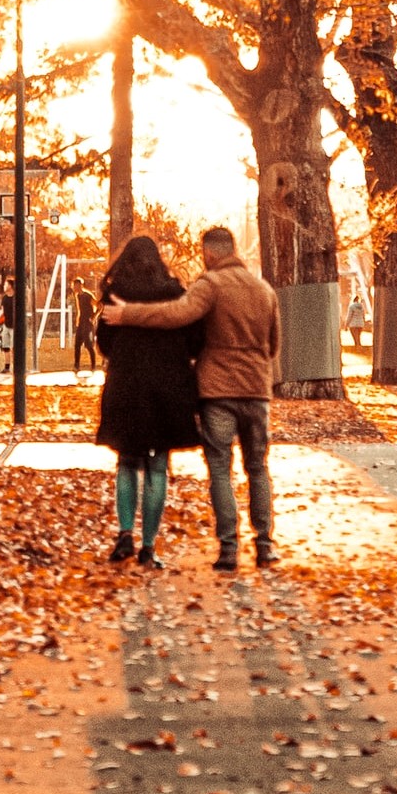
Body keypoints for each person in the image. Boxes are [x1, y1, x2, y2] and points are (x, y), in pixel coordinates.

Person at [101, 226, 280, 571]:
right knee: (258, 468)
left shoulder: (210, 286)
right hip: (257, 390)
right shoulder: (264, 290)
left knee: (219, 470)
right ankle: (264, 544)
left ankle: (228, 548)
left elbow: (177, 315)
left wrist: (127, 315)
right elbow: (273, 346)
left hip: (217, 390)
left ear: (210, 254)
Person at [96, 237, 204, 569]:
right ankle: (149, 545)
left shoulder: (115, 294)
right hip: (168, 388)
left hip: (127, 385)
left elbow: (104, 344)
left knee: (127, 462)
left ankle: (125, 532)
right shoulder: (175, 293)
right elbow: (194, 343)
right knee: (158, 466)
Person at [72, 276, 99, 375]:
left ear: (80, 285)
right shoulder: (77, 296)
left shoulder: (87, 295)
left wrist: (94, 318)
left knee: (88, 344)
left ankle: (93, 366)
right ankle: (76, 365)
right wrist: (78, 319)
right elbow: (79, 309)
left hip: (88, 322)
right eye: (73, 286)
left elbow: (99, 306)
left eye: (76, 285)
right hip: (81, 321)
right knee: (77, 344)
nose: (74, 287)